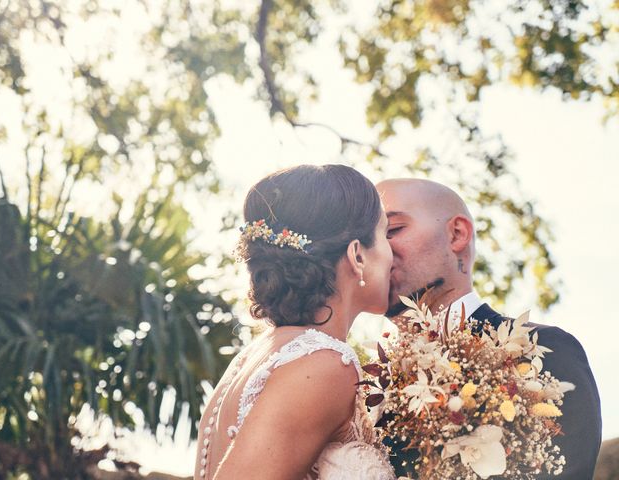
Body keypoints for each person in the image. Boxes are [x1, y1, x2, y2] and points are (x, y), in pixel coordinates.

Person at [376, 178, 602, 479]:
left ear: (457, 234)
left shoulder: (542, 350)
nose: (378, 252)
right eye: (368, 241)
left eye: (392, 231)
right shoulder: (357, 385)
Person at [194, 164, 396, 480]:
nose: (393, 253)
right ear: (357, 255)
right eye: (386, 233)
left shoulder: (262, 354)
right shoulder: (322, 365)